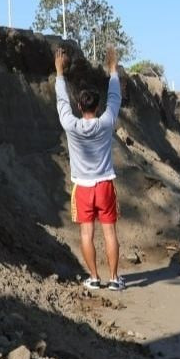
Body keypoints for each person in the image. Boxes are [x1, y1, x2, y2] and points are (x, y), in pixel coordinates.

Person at [54, 46, 124, 291]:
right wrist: (113, 69)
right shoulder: (106, 122)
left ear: (79, 105)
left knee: (86, 234)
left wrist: (59, 73)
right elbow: (115, 98)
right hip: (104, 184)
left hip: (82, 188)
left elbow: (61, 102)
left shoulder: (71, 125)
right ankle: (115, 279)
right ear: (97, 105)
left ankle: (94, 277)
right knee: (110, 233)